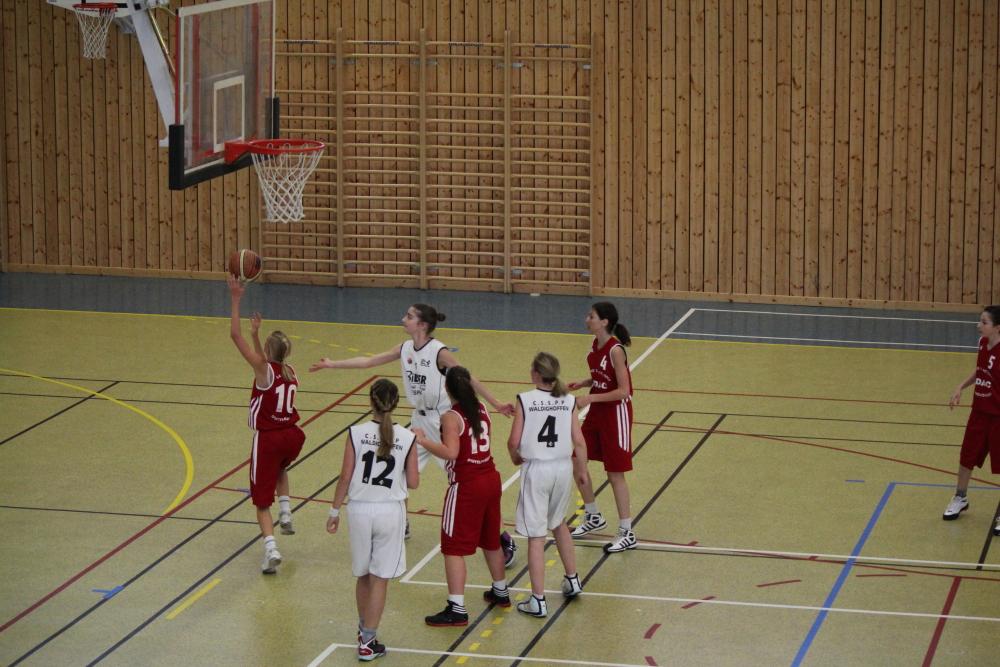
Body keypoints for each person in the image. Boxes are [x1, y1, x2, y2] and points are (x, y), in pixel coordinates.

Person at [309, 304, 518, 565]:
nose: (403, 319)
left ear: (422, 324)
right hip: (419, 421)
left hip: (442, 422)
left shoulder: (439, 352)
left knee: (466, 478)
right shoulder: (404, 348)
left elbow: (467, 378)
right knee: (398, 470)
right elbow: (369, 361)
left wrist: (496, 403)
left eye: (408, 316)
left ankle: (501, 538)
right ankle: (402, 522)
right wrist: (332, 364)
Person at [326, 379, 420, 662]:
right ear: (396, 403)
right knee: (380, 578)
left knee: (364, 574)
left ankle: (362, 629)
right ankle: (368, 640)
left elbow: (345, 477)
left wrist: (334, 512)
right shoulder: (407, 437)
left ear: (371, 401)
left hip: (359, 510)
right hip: (390, 511)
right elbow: (413, 482)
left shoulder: (356, 433)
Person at [412, 367, 510, 626]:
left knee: (452, 547)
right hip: (490, 478)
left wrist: (421, 440)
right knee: (491, 540)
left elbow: (451, 453)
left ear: (447, 389)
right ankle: (500, 591)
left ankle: (456, 608)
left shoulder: (451, 417)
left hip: (467, 485)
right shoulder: (482, 409)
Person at [228, 275, 306, 574]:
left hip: (270, 437)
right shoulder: (290, 370)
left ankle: (271, 549)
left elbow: (235, 336)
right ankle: (286, 511)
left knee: (261, 501)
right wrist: (257, 335)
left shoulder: (264, 371)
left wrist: (236, 298)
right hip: (293, 436)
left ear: (268, 351)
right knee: (281, 469)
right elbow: (263, 358)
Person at [507, 352, 589, 618]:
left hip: (538, 470)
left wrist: (515, 457)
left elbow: (513, 441)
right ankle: (573, 580)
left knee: (536, 536)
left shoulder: (525, 399)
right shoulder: (569, 400)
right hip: (563, 468)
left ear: (535, 373)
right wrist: (582, 471)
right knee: (559, 523)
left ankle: (538, 600)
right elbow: (579, 441)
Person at [568, 301, 638, 553]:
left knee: (615, 473)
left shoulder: (616, 350)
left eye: (592, 316)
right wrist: (585, 382)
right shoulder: (594, 346)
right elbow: (602, 375)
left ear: (605, 322)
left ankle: (627, 532)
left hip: (615, 414)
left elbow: (623, 390)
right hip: (598, 411)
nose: (587, 319)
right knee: (576, 459)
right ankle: (593, 515)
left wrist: (589, 398)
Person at [943, 305, 1000, 537]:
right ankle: (960, 497)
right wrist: (960, 387)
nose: (979, 325)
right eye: (980, 321)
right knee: (966, 457)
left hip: (998, 416)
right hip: (979, 412)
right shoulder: (981, 344)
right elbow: (980, 370)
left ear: (997, 327)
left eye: (984, 322)